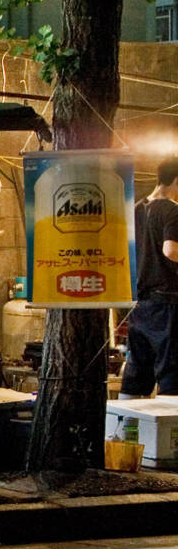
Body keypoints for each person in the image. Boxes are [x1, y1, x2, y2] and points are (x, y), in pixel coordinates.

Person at [122, 157, 178, 398]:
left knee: (137, 369)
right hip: (167, 304)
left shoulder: (135, 209)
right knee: (171, 371)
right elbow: (171, 250)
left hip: (139, 303)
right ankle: (171, 433)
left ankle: (124, 429)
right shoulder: (172, 210)